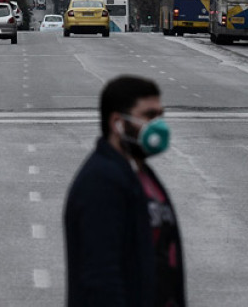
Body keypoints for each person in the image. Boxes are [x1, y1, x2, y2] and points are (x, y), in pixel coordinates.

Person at [64, 76, 185, 307]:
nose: (159, 125)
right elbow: (100, 277)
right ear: (117, 122)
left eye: (161, 115)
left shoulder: (141, 174)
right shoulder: (101, 181)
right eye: (149, 116)